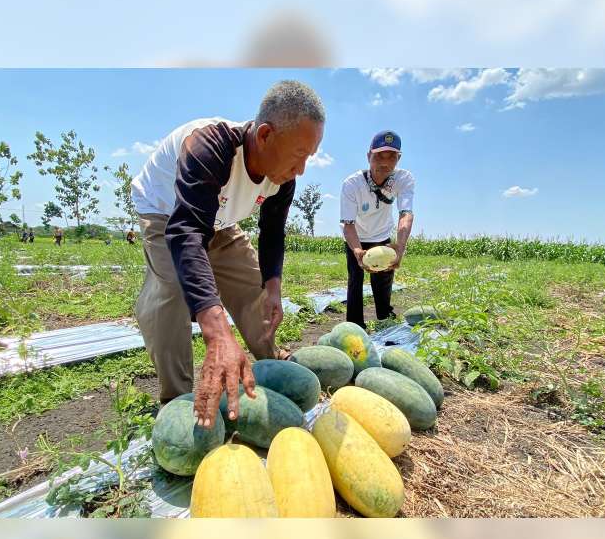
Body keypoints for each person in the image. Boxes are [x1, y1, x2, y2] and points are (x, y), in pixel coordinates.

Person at [132, 80, 325, 428]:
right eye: (299, 155)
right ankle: (176, 399)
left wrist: (273, 287)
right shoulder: (209, 146)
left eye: (308, 158)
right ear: (264, 135)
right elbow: (187, 231)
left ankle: (270, 360)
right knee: (173, 288)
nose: (301, 169)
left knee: (253, 286)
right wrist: (217, 331)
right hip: (168, 213)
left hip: (220, 220)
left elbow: (272, 232)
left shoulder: (283, 178)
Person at [340, 130, 415, 329]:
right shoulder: (352, 184)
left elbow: (406, 214)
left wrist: (400, 246)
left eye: (391, 156)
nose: (385, 162)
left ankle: (384, 317)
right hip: (356, 236)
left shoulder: (404, 179)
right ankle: (355, 325)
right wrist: (357, 250)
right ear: (368, 156)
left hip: (381, 235)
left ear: (398, 159)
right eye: (379, 156)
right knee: (355, 279)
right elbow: (348, 224)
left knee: (383, 278)